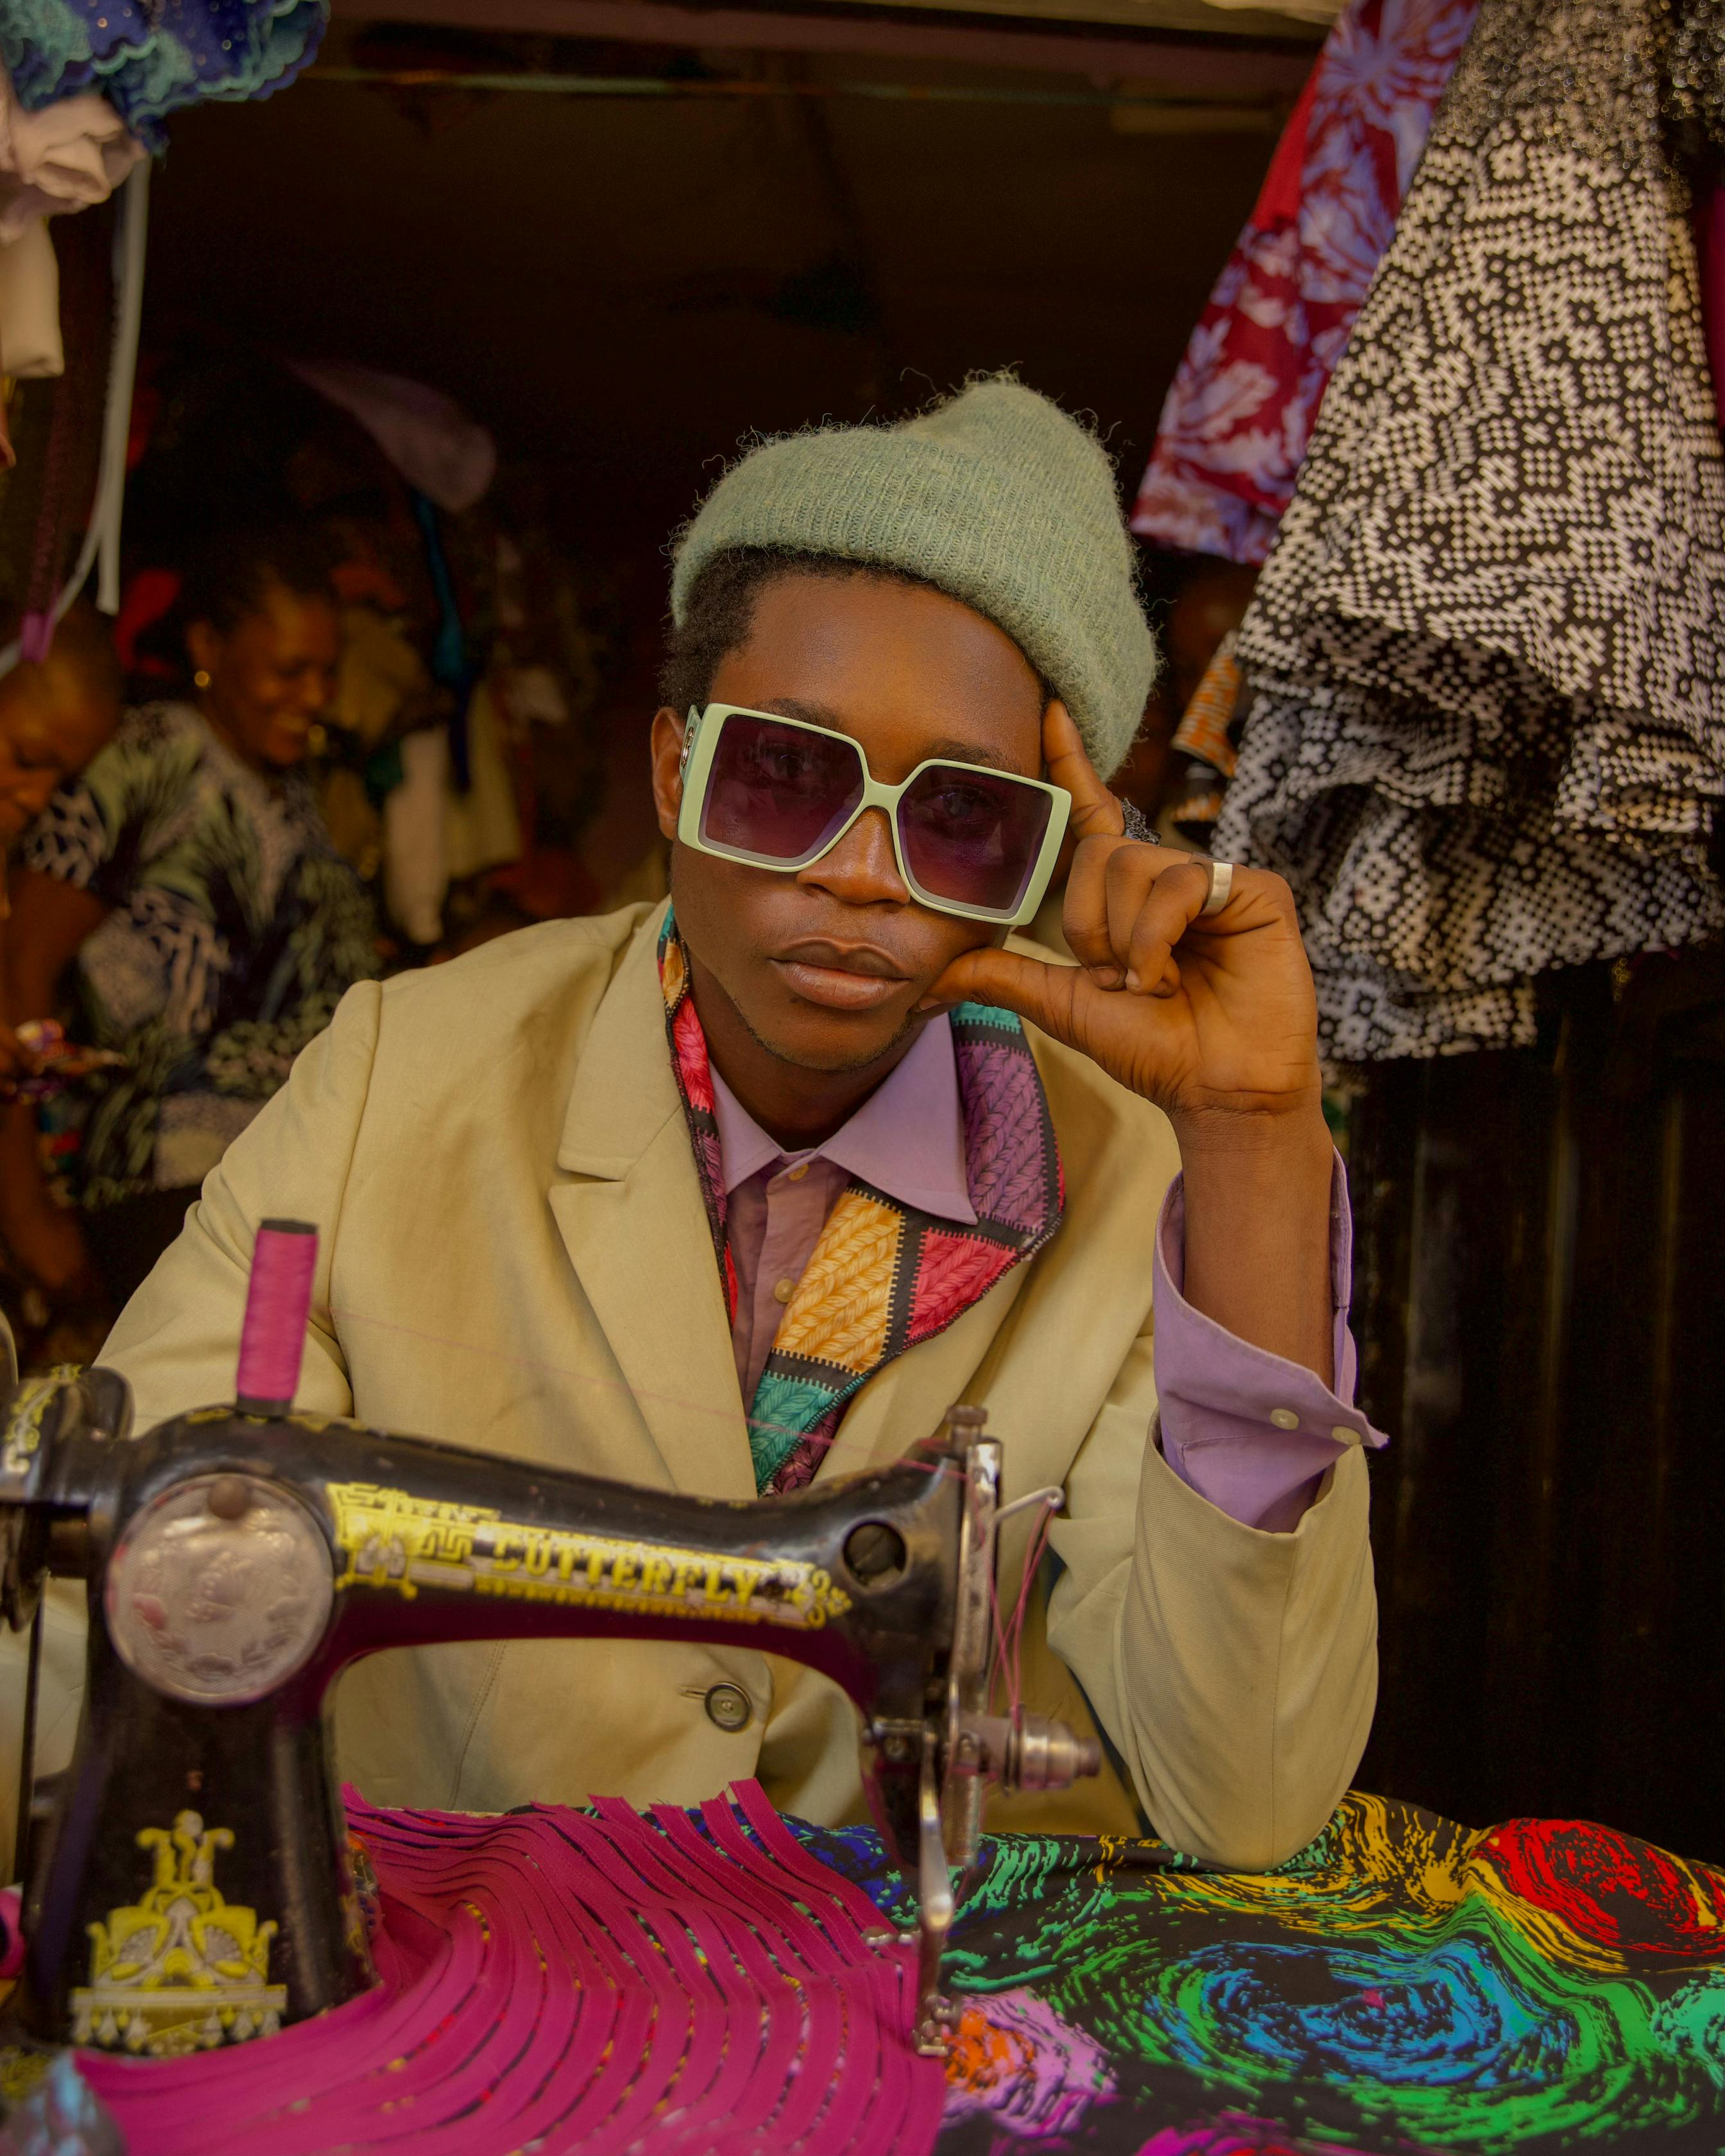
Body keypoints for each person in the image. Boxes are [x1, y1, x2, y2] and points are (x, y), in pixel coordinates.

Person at [43, 381, 1382, 1870]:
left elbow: (1247, 1798)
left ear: (1045, 855)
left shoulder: (1143, 1184)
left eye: (958, 816)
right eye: (789, 774)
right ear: (677, 770)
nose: (863, 873)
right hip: (471, 1976)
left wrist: (1261, 1134)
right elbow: (105, 1599)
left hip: (914, 2033)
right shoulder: (397, 1080)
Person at [0, 527, 380, 1315]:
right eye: (289, 670)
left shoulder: (298, 792)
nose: (314, 697)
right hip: (165, 1185)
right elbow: (19, 964)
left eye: (326, 671)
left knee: (267, 1405)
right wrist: (26, 1208)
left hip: (280, 1189)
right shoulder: (153, 759)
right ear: (210, 644)